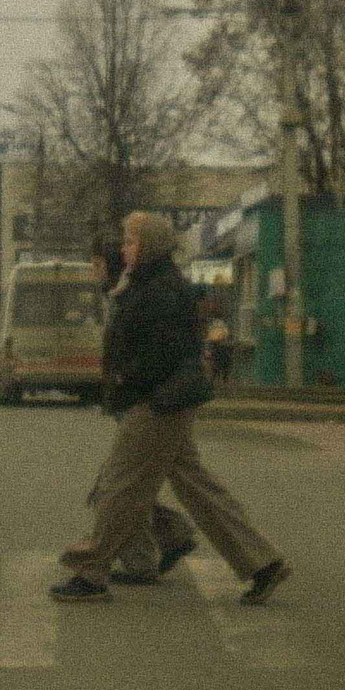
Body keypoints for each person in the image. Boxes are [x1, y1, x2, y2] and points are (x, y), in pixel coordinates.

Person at [52, 211, 290, 606]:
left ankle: (91, 571)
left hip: (157, 403)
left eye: (131, 242)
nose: (123, 249)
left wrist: (125, 379)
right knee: (198, 489)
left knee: (120, 488)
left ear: (149, 246)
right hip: (167, 400)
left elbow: (161, 354)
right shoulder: (148, 282)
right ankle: (262, 563)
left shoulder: (159, 290)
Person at [85, 236, 197, 588]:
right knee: (139, 485)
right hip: (148, 402)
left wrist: (123, 381)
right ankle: (169, 539)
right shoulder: (121, 295)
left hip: (147, 404)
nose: (93, 272)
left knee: (115, 489)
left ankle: (136, 560)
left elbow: (143, 351)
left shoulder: (133, 297)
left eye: (97, 265)